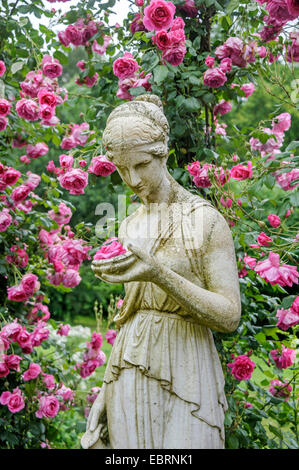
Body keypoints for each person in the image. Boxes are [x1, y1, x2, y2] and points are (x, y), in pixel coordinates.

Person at [81, 94, 241, 449]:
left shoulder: (206, 221)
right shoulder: (129, 225)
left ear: (161, 154)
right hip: (131, 363)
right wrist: (105, 393)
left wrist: (159, 274)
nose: (132, 179)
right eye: (122, 169)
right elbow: (128, 316)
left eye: (140, 165)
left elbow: (229, 316)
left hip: (188, 363)